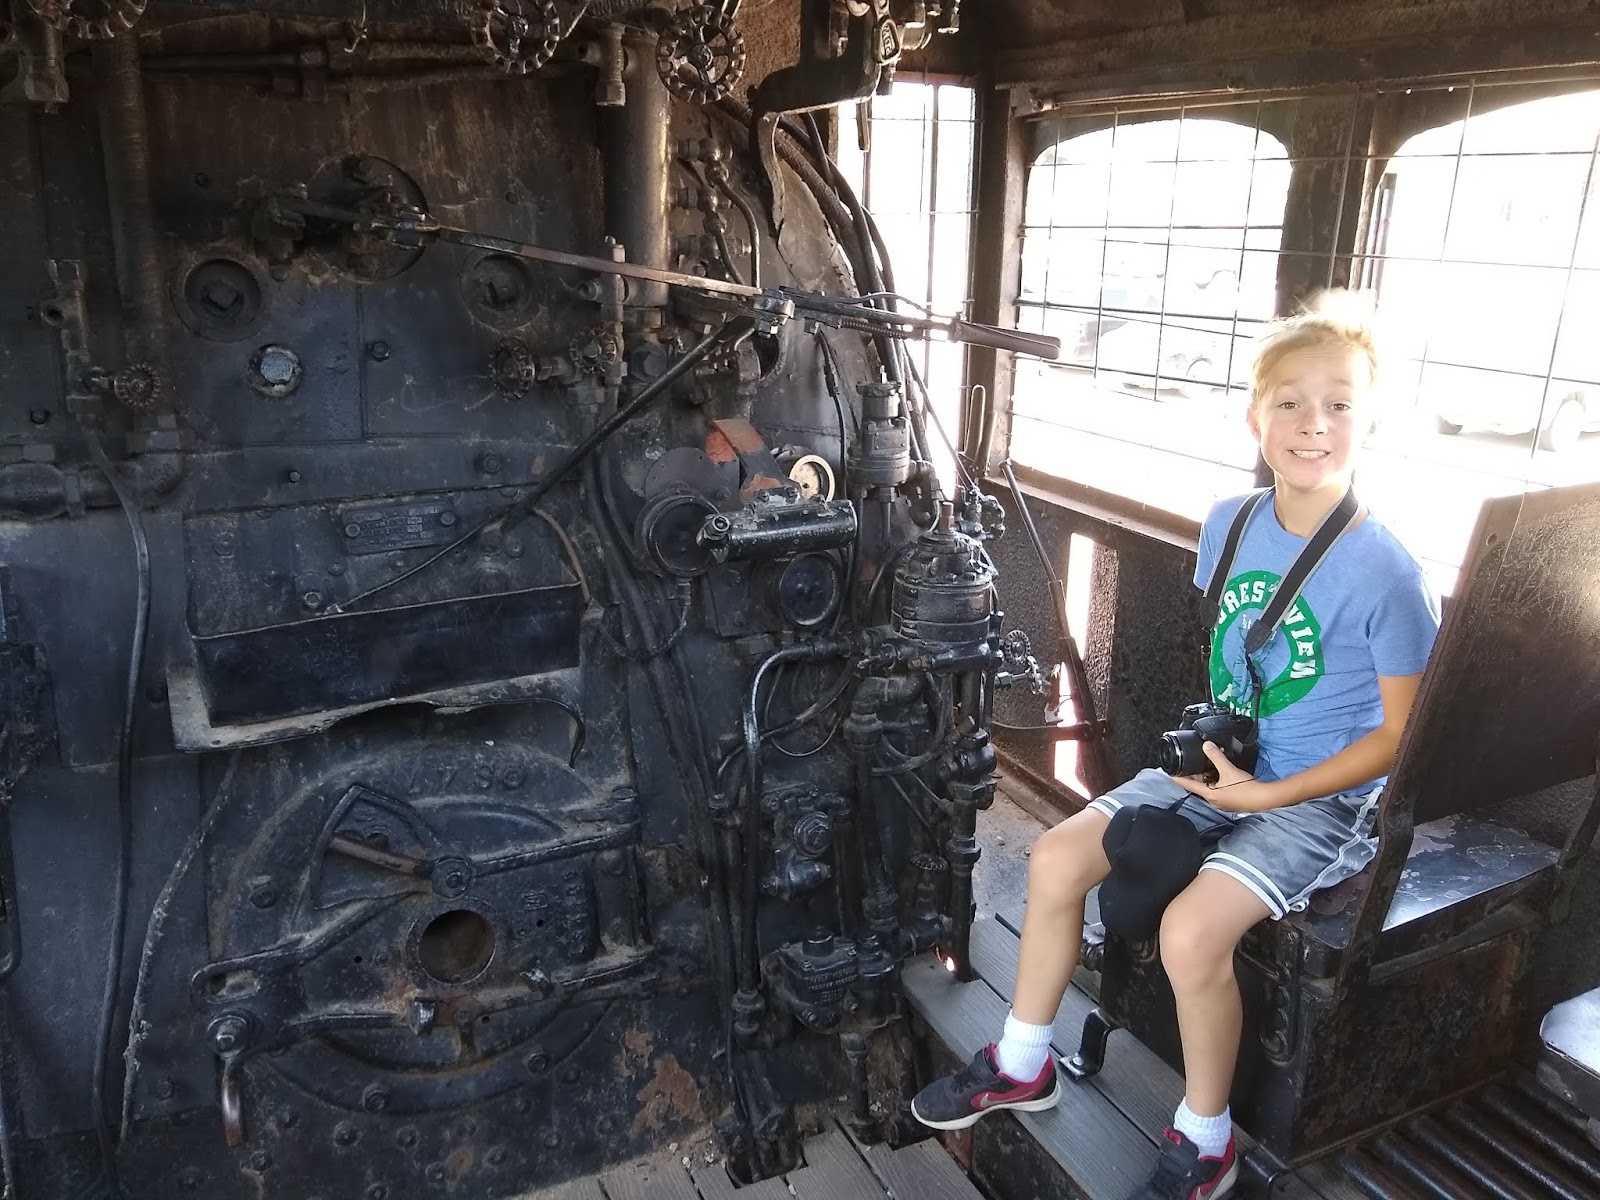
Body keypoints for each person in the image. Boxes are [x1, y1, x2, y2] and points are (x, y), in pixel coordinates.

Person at [910, 293, 1441, 1200]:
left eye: (1339, 404)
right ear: (1255, 417)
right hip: (1222, 764)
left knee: (1192, 936)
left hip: (1319, 799)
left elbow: (1400, 739)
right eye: (1289, 402)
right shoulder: (1231, 522)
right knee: (1054, 857)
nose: (1313, 424)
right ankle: (1024, 1061)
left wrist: (1266, 797)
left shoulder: (1389, 573)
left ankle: (1206, 1140)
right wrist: (1221, 773)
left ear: (1370, 421)